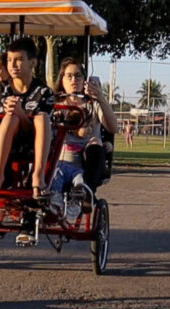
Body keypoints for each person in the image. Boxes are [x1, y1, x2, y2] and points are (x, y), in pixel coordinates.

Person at [0, 38, 55, 246]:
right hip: (8, 140)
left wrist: (22, 114)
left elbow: (36, 125)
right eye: (10, 60)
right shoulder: (1, 89)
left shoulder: (44, 92)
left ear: (33, 63)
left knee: (40, 117)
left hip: (35, 142)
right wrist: (13, 115)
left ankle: (37, 177)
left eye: (19, 60)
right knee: (9, 117)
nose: (13, 66)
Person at [48, 58, 118, 219]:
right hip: (59, 158)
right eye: (69, 76)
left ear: (84, 80)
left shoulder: (92, 104)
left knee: (95, 144)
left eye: (78, 76)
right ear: (62, 79)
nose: (74, 80)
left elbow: (113, 128)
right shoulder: (55, 104)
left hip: (85, 161)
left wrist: (100, 97)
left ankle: (85, 193)